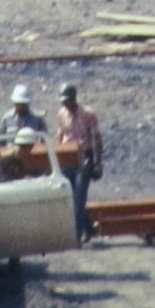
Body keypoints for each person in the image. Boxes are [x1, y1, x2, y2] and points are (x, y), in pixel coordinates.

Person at [55, 81, 105, 240]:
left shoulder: (88, 114)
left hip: (84, 158)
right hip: (66, 158)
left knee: (79, 197)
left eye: (67, 100)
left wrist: (98, 162)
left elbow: (96, 138)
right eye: (63, 101)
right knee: (69, 198)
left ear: (74, 98)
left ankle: (76, 235)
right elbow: (60, 136)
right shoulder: (61, 114)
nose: (65, 104)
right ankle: (89, 228)